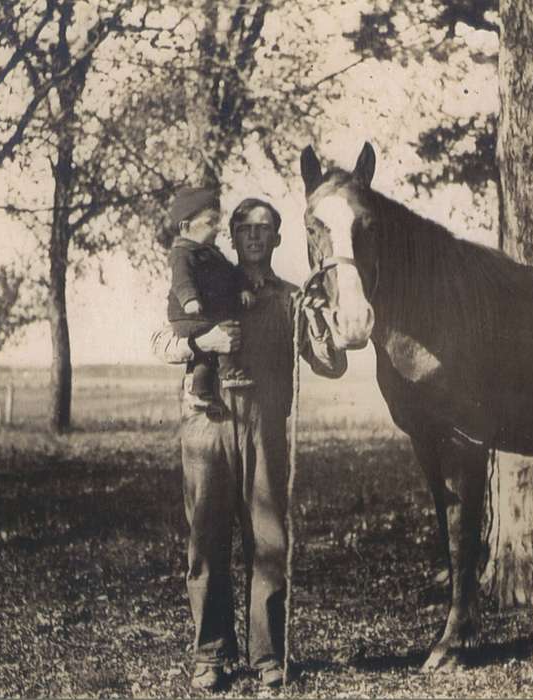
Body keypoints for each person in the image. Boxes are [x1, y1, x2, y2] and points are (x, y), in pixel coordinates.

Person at [151, 197, 347, 691]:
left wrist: (321, 317)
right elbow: (159, 341)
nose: (254, 235)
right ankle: (210, 655)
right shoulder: (209, 279)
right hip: (207, 425)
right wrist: (204, 344)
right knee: (206, 542)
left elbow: (331, 364)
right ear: (232, 238)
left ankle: (267, 657)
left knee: (268, 541)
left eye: (264, 227)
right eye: (244, 227)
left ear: (277, 239)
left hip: (265, 428)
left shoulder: (290, 299)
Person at [166, 186, 255, 402]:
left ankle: (202, 389)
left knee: (210, 350)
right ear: (185, 226)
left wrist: (243, 287)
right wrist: (189, 299)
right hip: (190, 316)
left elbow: (232, 272)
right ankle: (224, 376)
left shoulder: (212, 254)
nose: (217, 228)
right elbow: (181, 279)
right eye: (210, 222)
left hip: (205, 314)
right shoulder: (183, 253)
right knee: (216, 340)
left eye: (217, 222)